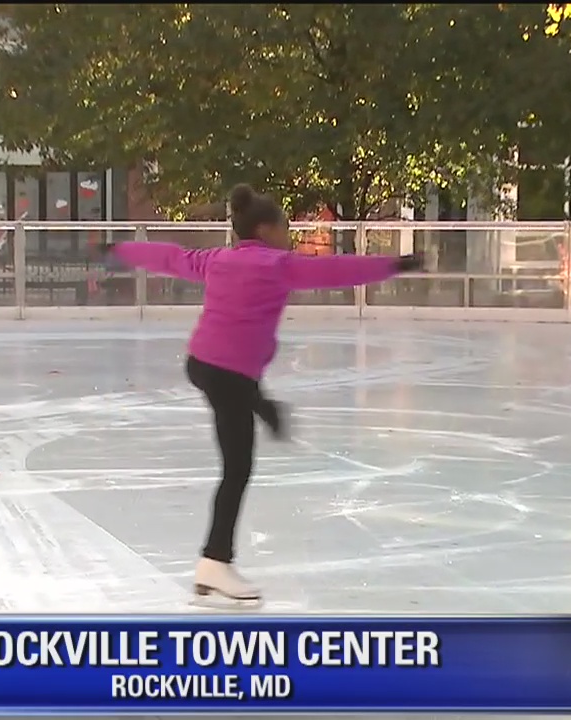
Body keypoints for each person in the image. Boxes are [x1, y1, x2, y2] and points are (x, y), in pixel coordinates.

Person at [101, 183, 422, 605]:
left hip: (205, 363)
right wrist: (395, 264)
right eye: (286, 228)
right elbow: (338, 270)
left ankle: (263, 407)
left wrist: (118, 250)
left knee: (242, 421)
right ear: (267, 228)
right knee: (237, 470)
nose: (289, 236)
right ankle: (214, 564)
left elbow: (168, 257)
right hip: (229, 374)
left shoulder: (216, 259)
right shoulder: (278, 265)